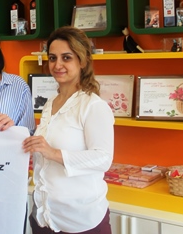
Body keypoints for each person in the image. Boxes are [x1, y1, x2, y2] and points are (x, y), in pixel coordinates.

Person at [23, 26, 114, 234]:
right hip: (44, 217)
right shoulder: (50, 103)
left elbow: (103, 158)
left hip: (80, 221)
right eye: (52, 58)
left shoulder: (93, 106)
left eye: (66, 58)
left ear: (82, 61)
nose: (57, 65)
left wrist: (53, 153)